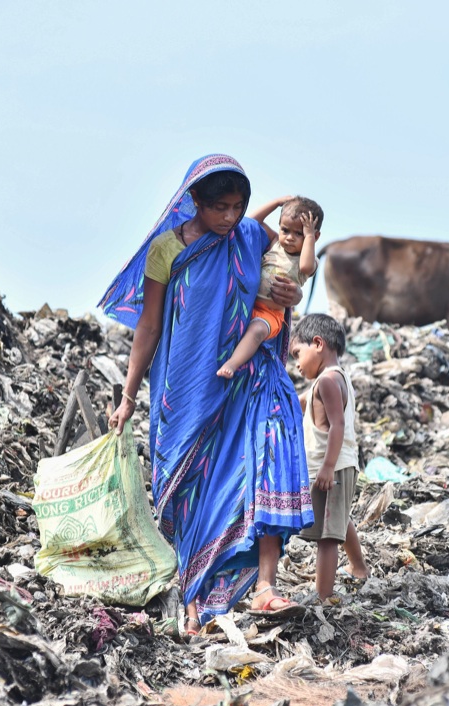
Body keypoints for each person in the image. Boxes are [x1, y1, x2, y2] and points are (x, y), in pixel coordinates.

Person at [99, 155, 313, 635]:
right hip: (184, 390)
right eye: (220, 207)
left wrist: (291, 297)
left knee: (245, 480)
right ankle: (193, 601)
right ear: (192, 200)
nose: (231, 217)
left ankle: (262, 587)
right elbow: (150, 326)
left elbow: (284, 283)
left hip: (242, 384)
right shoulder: (166, 251)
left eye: (239, 207)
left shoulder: (251, 239)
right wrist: (129, 396)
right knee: (189, 493)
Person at [289, 313, 369, 603]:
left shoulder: (326, 382)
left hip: (331, 467)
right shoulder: (333, 378)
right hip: (340, 465)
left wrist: (326, 468)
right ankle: (359, 567)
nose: (296, 364)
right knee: (337, 520)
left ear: (318, 343)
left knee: (326, 536)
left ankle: (323, 596)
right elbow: (302, 402)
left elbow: (337, 425)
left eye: (298, 354)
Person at [216, 196, 323, 378]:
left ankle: (232, 364)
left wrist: (310, 236)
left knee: (256, 332)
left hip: (270, 314)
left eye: (299, 234)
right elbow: (251, 222)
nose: (289, 238)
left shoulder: (310, 260)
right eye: (285, 230)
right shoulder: (275, 241)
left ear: (314, 236)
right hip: (247, 304)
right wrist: (276, 203)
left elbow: (305, 267)